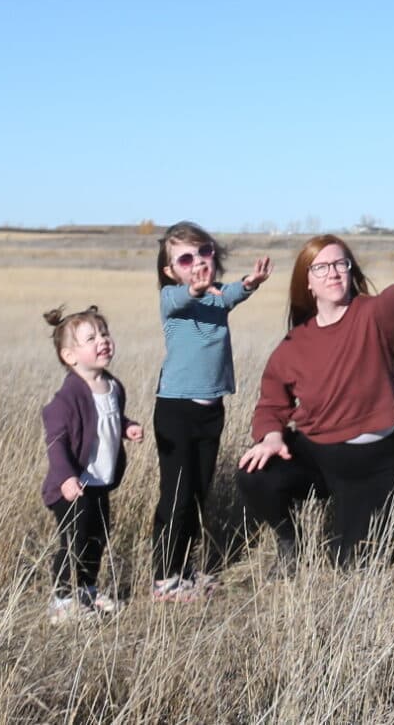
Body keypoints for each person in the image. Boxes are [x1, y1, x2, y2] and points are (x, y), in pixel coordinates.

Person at [237, 220, 394, 565]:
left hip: (373, 460)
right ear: (308, 282)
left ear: (350, 271)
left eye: (340, 264)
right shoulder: (294, 344)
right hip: (317, 453)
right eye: (321, 267)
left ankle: (381, 508)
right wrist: (270, 437)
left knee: (352, 564)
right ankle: (288, 540)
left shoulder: (373, 317)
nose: (332, 273)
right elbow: (272, 402)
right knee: (253, 473)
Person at [148, 223, 272, 601]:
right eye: (186, 258)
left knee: (199, 492)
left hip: (211, 410)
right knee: (177, 495)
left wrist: (250, 282)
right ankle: (164, 578)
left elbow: (231, 294)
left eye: (204, 252)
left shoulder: (217, 296)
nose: (198, 262)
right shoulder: (172, 297)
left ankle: (185, 570)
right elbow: (181, 299)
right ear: (171, 270)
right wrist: (194, 289)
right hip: (176, 410)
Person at [39, 304, 145, 623]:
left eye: (105, 333)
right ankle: (62, 601)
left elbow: (105, 420)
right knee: (74, 541)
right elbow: (56, 443)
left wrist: (126, 426)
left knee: (97, 539)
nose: (103, 340)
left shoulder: (112, 386)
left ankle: (86, 590)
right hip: (73, 487)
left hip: (99, 482)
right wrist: (66, 479)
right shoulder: (67, 397)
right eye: (91, 337)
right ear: (70, 356)